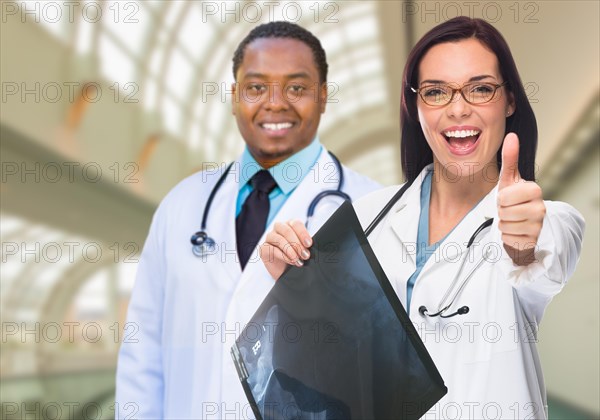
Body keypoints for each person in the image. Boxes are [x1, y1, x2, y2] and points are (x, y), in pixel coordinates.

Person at [262, 17, 585, 419]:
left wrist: (522, 247)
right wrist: (295, 288)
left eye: (481, 88)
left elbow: (544, 257)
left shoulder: (549, 221)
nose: (458, 109)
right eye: (435, 92)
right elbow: (332, 358)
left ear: (510, 101)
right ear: (415, 107)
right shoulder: (366, 218)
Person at [115, 21, 380, 419]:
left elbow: (381, 364)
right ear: (235, 96)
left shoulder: (371, 208)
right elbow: (142, 354)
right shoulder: (180, 207)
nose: (275, 103)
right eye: (256, 87)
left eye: (296, 87)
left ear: (323, 97)